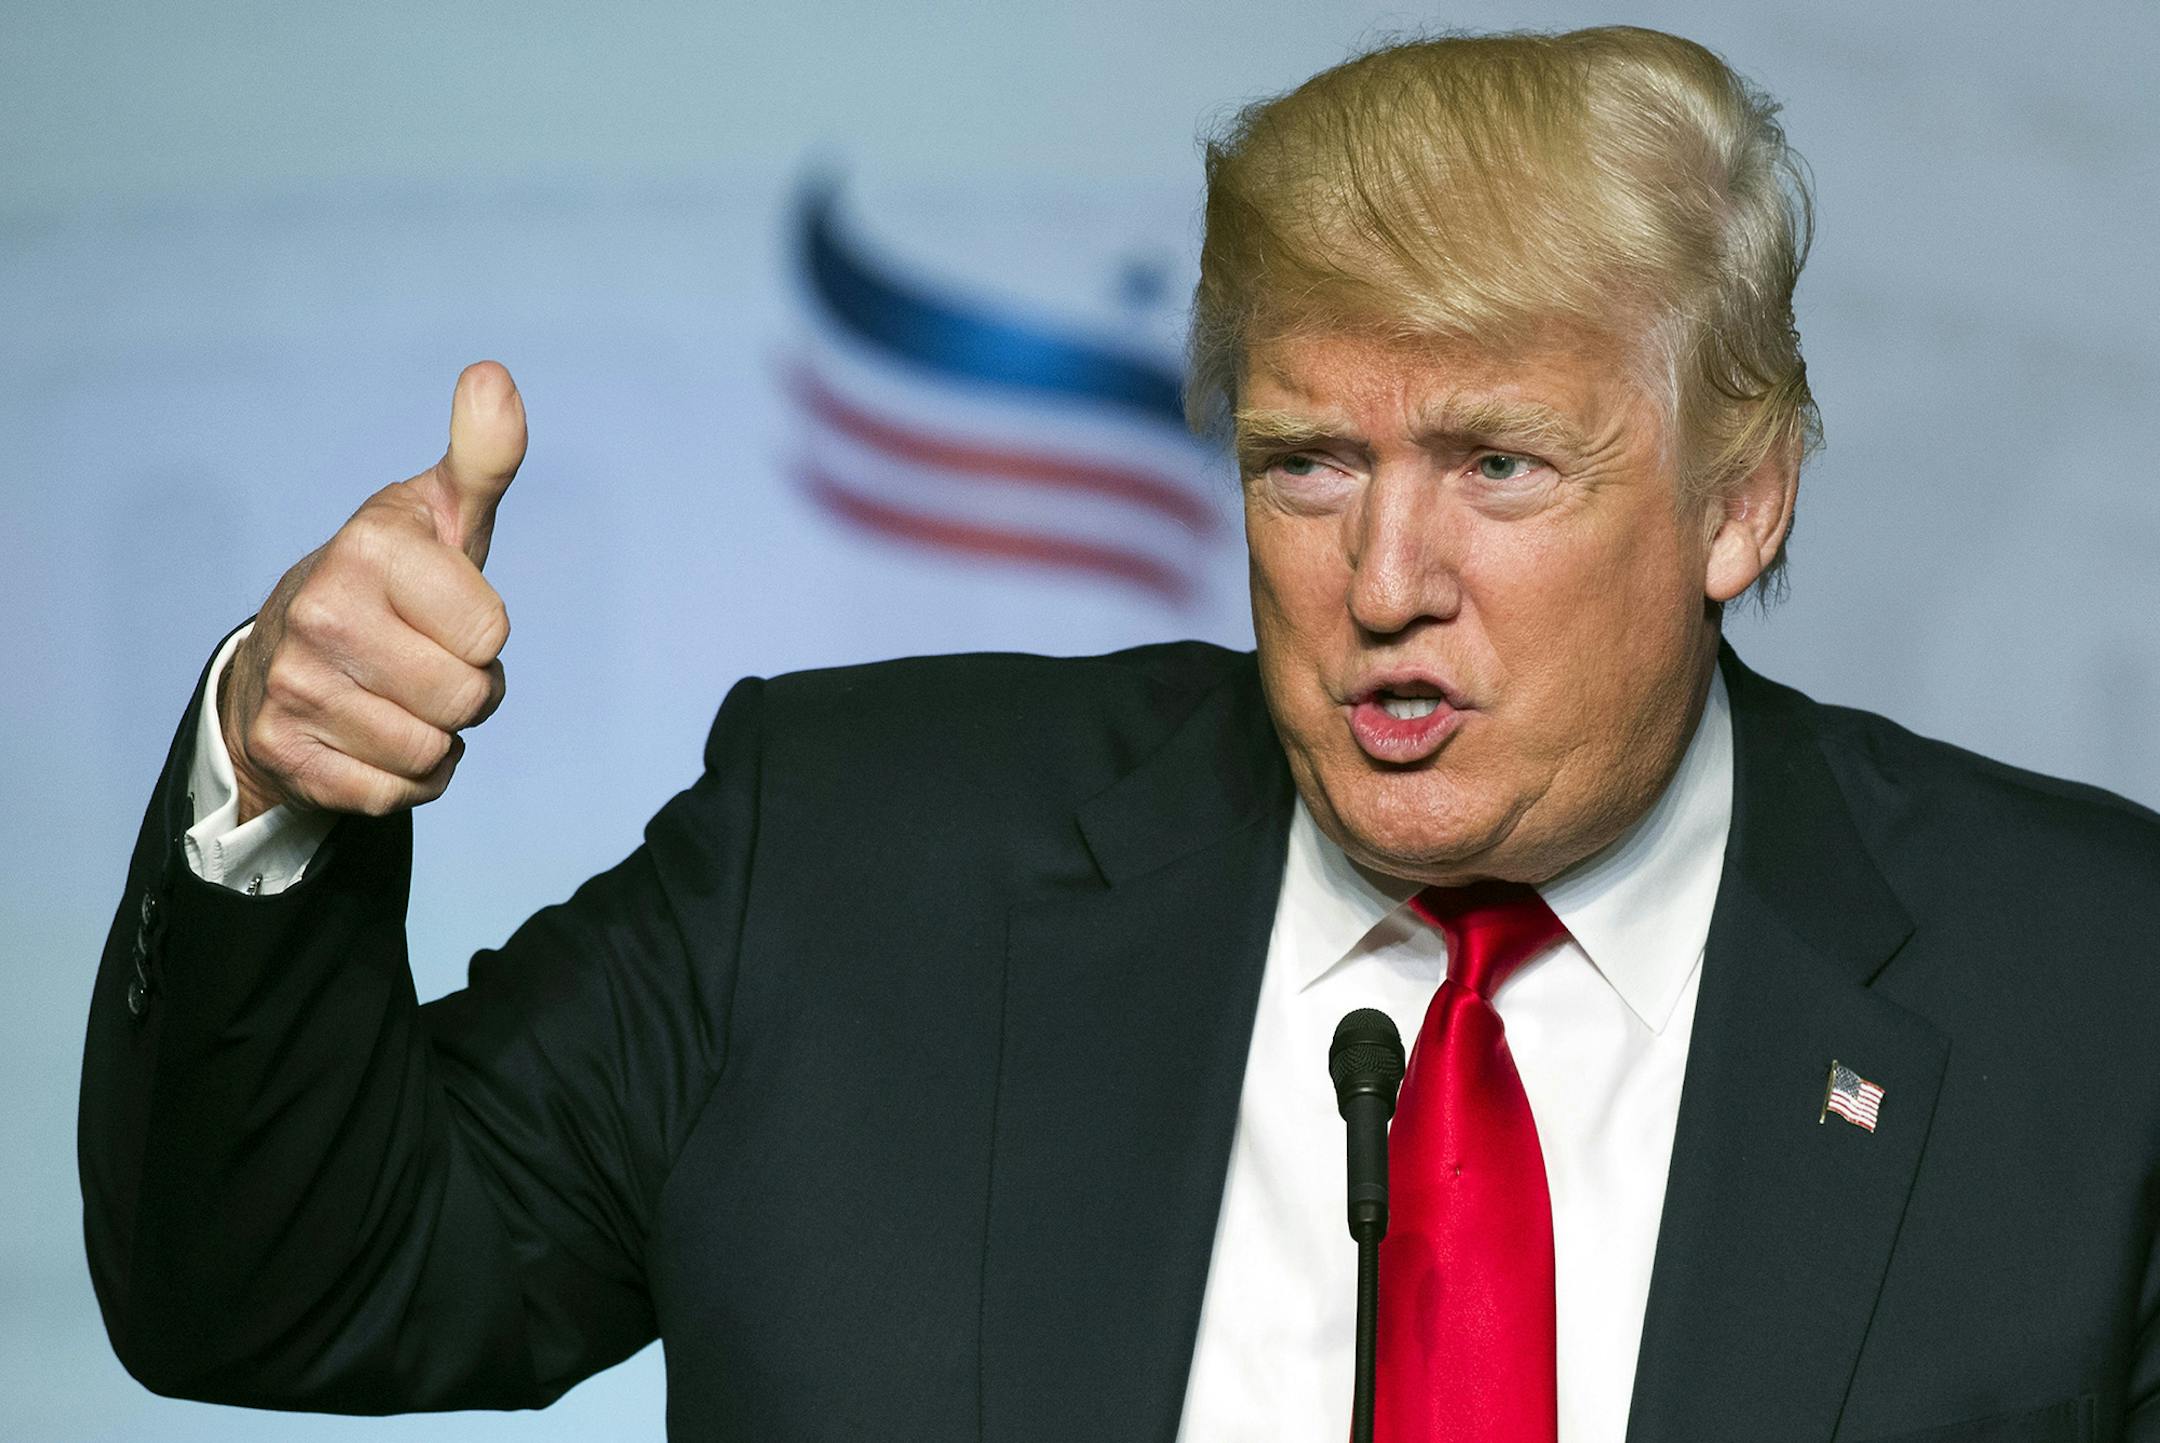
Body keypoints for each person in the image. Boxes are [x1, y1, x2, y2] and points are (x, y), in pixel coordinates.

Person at [80, 25, 2160, 1443]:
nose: (1384, 576)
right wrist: (271, 780)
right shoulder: (848, 862)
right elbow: (281, 1286)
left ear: (1743, 493)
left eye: (1502, 467)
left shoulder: (2094, 984)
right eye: (1306, 461)